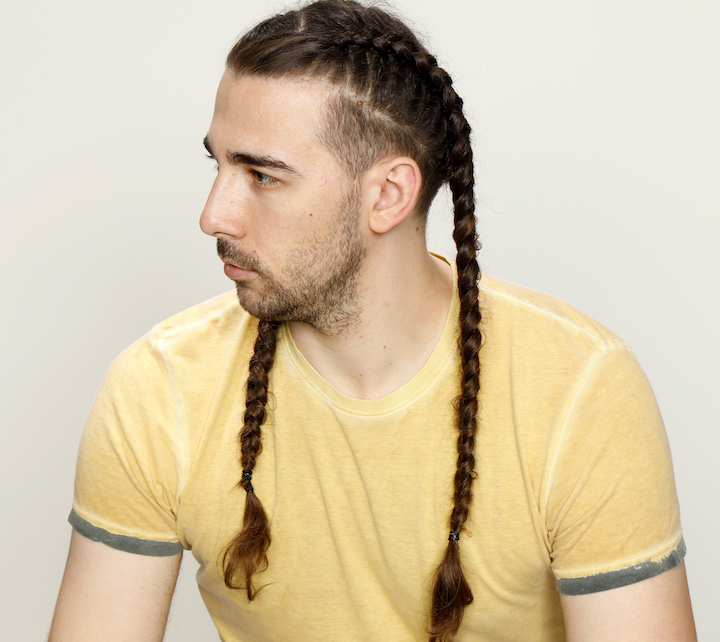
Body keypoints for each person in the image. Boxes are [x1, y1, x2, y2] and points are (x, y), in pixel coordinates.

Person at [49, 1, 696, 640]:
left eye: (262, 175)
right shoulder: (158, 391)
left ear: (387, 195)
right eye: (217, 164)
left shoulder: (580, 392)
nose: (214, 215)